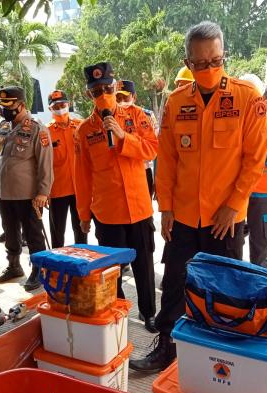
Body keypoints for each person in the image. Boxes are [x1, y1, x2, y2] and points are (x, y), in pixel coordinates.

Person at [130, 21, 267, 372]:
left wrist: (234, 205)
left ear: (224, 57)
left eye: (215, 61)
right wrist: (166, 209)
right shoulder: (177, 102)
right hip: (184, 217)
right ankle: (167, 347)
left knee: (223, 291)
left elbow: (255, 161)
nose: (208, 69)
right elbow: (168, 162)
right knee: (175, 282)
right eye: (200, 63)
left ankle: (218, 359)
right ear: (188, 62)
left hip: (224, 219)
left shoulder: (246, 98)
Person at [74, 62, 158, 333]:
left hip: (139, 208)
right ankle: (117, 310)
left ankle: (149, 313)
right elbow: (82, 177)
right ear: (89, 95)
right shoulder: (84, 131)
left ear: (116, 85)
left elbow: (153, 150)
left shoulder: (137, 116)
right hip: (108, 213)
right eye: (96, 91)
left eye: (107, 88)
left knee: (144, 266)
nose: (103, 94)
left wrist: (123, 137)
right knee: (111, 271)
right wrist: (84, 215)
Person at [0, 86, 53, 292]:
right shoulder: (1, 126)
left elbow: (45, 164)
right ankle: (14, 265)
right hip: (4, 193)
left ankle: (39, 269)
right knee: (10, 232)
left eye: (9, 105)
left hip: (28, 195)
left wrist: (43, 192)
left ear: (22, 105)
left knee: (33, 235)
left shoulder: (36, 128)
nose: (5, 110)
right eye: (2, 105)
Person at [228, 76, 267, 270]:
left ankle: (258, 267)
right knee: (234, 233)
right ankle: (235, 267)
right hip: (235, 188)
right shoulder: (229, 117)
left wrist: (256, 159)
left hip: (262, 188)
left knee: (261, 232)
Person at [45, 89, 87, 248]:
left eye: (62, 105)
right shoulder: (46, 132)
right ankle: (57, 265)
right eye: (56, 106)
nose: (60, 109)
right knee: (57, 234)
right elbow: (43, 164)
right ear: (50, 109)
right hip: (57, 191)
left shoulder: (80, 127)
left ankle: (83, 261)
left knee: (82, 230)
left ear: (68, 104)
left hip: (80, 190)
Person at [116, 80, 159, 197]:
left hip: (142, 171)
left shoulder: (146, 115)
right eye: (118, 98)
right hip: (118, 174)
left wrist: (157, 177)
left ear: (134, 97)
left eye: (125, 97)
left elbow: (153, 149)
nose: (121, 101)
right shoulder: (110, 116)